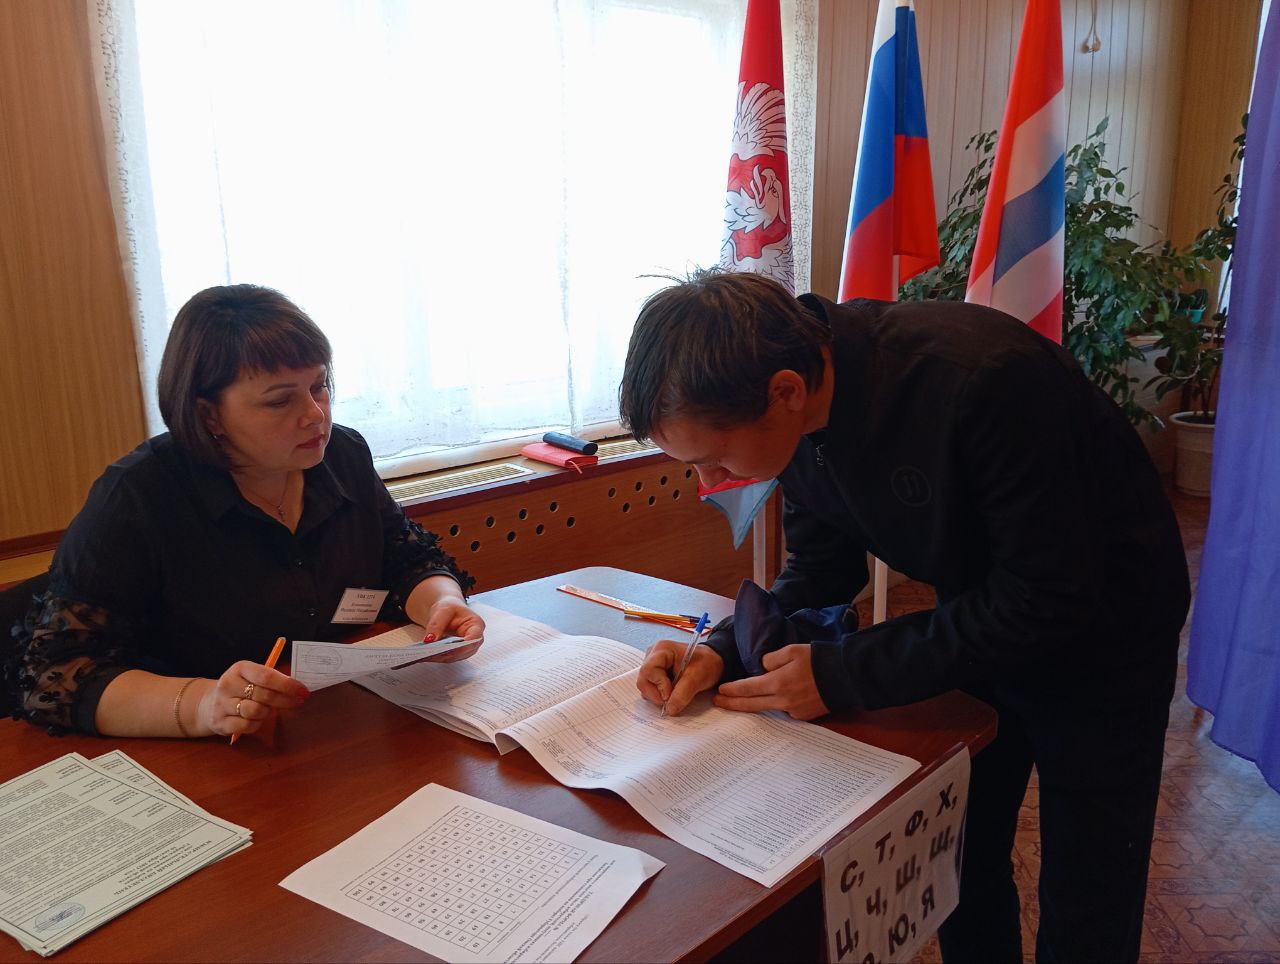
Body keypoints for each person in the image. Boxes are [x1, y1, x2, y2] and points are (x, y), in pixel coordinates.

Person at [620, 270, 1190, 963]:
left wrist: (843, 673)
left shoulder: (981, 378)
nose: (709, 484)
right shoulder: (787, 412)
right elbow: (821, 570)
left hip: (1106, 627)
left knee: (1090, 879)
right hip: (979, 611)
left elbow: (1049, 595)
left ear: (786, 392)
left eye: (712, 459)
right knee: (960, 852)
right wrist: (722, 648)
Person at [7, 285, 483, 741]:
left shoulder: (342, 455)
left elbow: (406, 559)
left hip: (329, 722)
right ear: (209, 414)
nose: (315, 415)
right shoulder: (136, 497)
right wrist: (203, 704)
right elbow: (56, 675)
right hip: (190, 751)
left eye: (319, 386)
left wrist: (441, 603)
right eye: (280, 400)